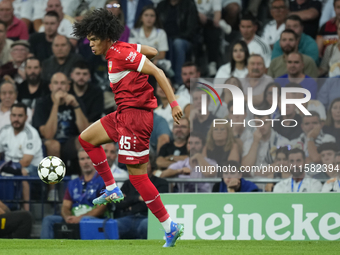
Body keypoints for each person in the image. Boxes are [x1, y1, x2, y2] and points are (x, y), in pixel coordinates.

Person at [72, 8, 183, 247]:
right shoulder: (121, 49)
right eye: (88, 39)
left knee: (138, 177)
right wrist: (133, 48)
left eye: (93, 39)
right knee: (86, 139)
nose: (90, 44)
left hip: (136, 118)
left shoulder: (120, 53)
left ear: (105, 37)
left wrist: (173, 103)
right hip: (123, 114)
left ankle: (169, 226)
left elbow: (158, 71)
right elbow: (152, 51)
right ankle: (112, 187)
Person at [40, 148, 107, 239]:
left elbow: (101, 209)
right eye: (82, 159)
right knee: (48, 220)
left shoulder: (104, 181)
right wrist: (68, 217)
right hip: (73, 217)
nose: (85, 162)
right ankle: (45, 250)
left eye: (88, 158)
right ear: (79, 162)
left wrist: (80, 218)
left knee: (87, 221)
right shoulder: (73, 183)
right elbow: (65, 206)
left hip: (93, 219)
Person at [32, 72, 89, 176]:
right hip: (48, 143)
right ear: (50, 87)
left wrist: (76, 106)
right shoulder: (42, 103)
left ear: (68, 87)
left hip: (69, 143)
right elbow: (48, 135)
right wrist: (56, 105)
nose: (59, 86)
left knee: (84, 141)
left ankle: (84, 183)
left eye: (62, 83)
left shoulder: (76, 101)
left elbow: (85, 131)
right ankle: (52, 190)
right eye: (56, 83)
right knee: (54, 145)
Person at [114, 159, 168, 239]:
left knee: (145, 226)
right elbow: (118, 203)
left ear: (152, 165)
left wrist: (131, 204)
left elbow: (156, 204)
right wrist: (138, 198)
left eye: (146, 163)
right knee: (113, 225)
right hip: (128, 217)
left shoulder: (161, 183)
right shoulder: (128, 183)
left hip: (147, 217)